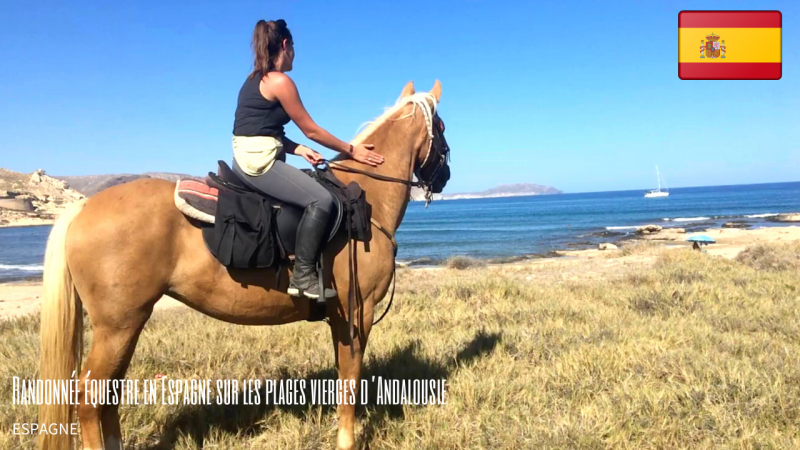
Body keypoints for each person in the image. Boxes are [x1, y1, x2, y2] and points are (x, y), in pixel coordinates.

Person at [232, 19, 384, 299]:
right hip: (259, 163)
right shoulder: (280, 81)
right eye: (295, 48)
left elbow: (259, 130)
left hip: (248, 157)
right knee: (321, 199)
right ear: (286, 45)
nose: (295, 55)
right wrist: (352, 150)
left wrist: (297, 149)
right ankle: (302, 276)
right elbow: (312, 129)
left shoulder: (255, 80)